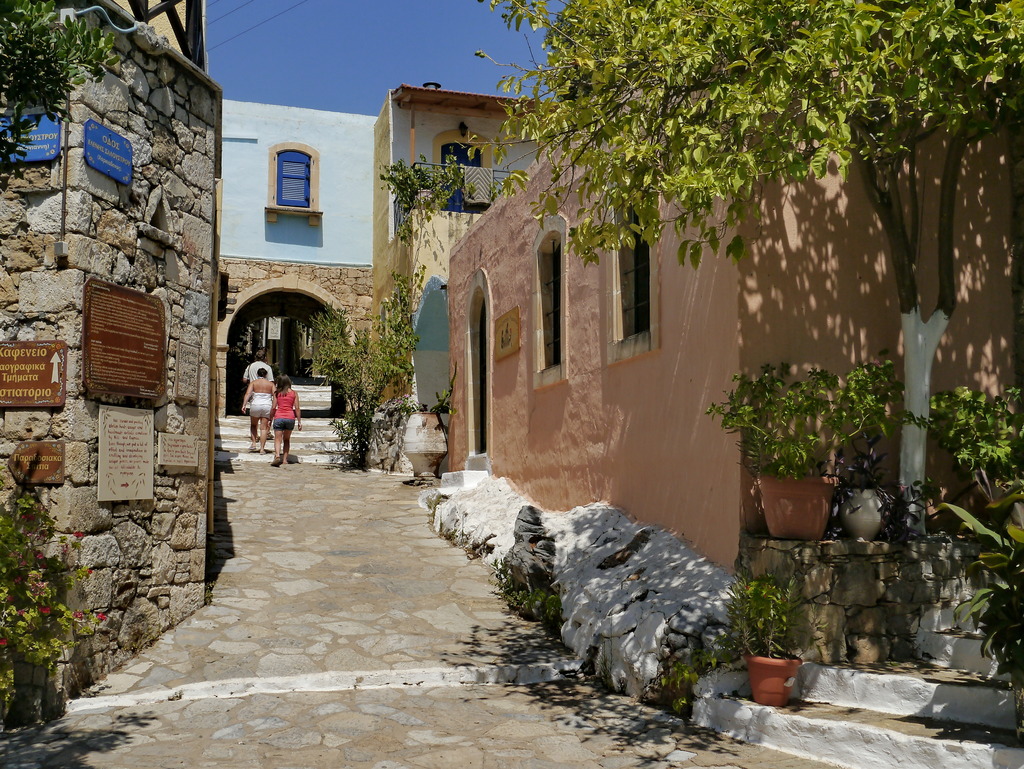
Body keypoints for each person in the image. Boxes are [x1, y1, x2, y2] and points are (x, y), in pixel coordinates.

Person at [240, 367, 275, 453]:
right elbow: (275, 396)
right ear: (266, 375)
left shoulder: (253, 383)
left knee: (253, 425)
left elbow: (248, 393)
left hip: (255, 405)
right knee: (264, 428)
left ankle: (253, 443)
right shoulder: (271, 384)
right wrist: (274, 407)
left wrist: (244, 405)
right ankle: (262, 449)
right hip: (267, 405)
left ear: (257, 374)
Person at [270, 374, 301, 467]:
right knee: (286, 439)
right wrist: (299, 421)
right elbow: (297, 408)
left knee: (277, 439)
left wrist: (270, 419)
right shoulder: (294, 393)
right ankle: (285, 460)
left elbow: (273, 407)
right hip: (290, 418)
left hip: (279, 417)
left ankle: (277, 455)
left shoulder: (277, 393)